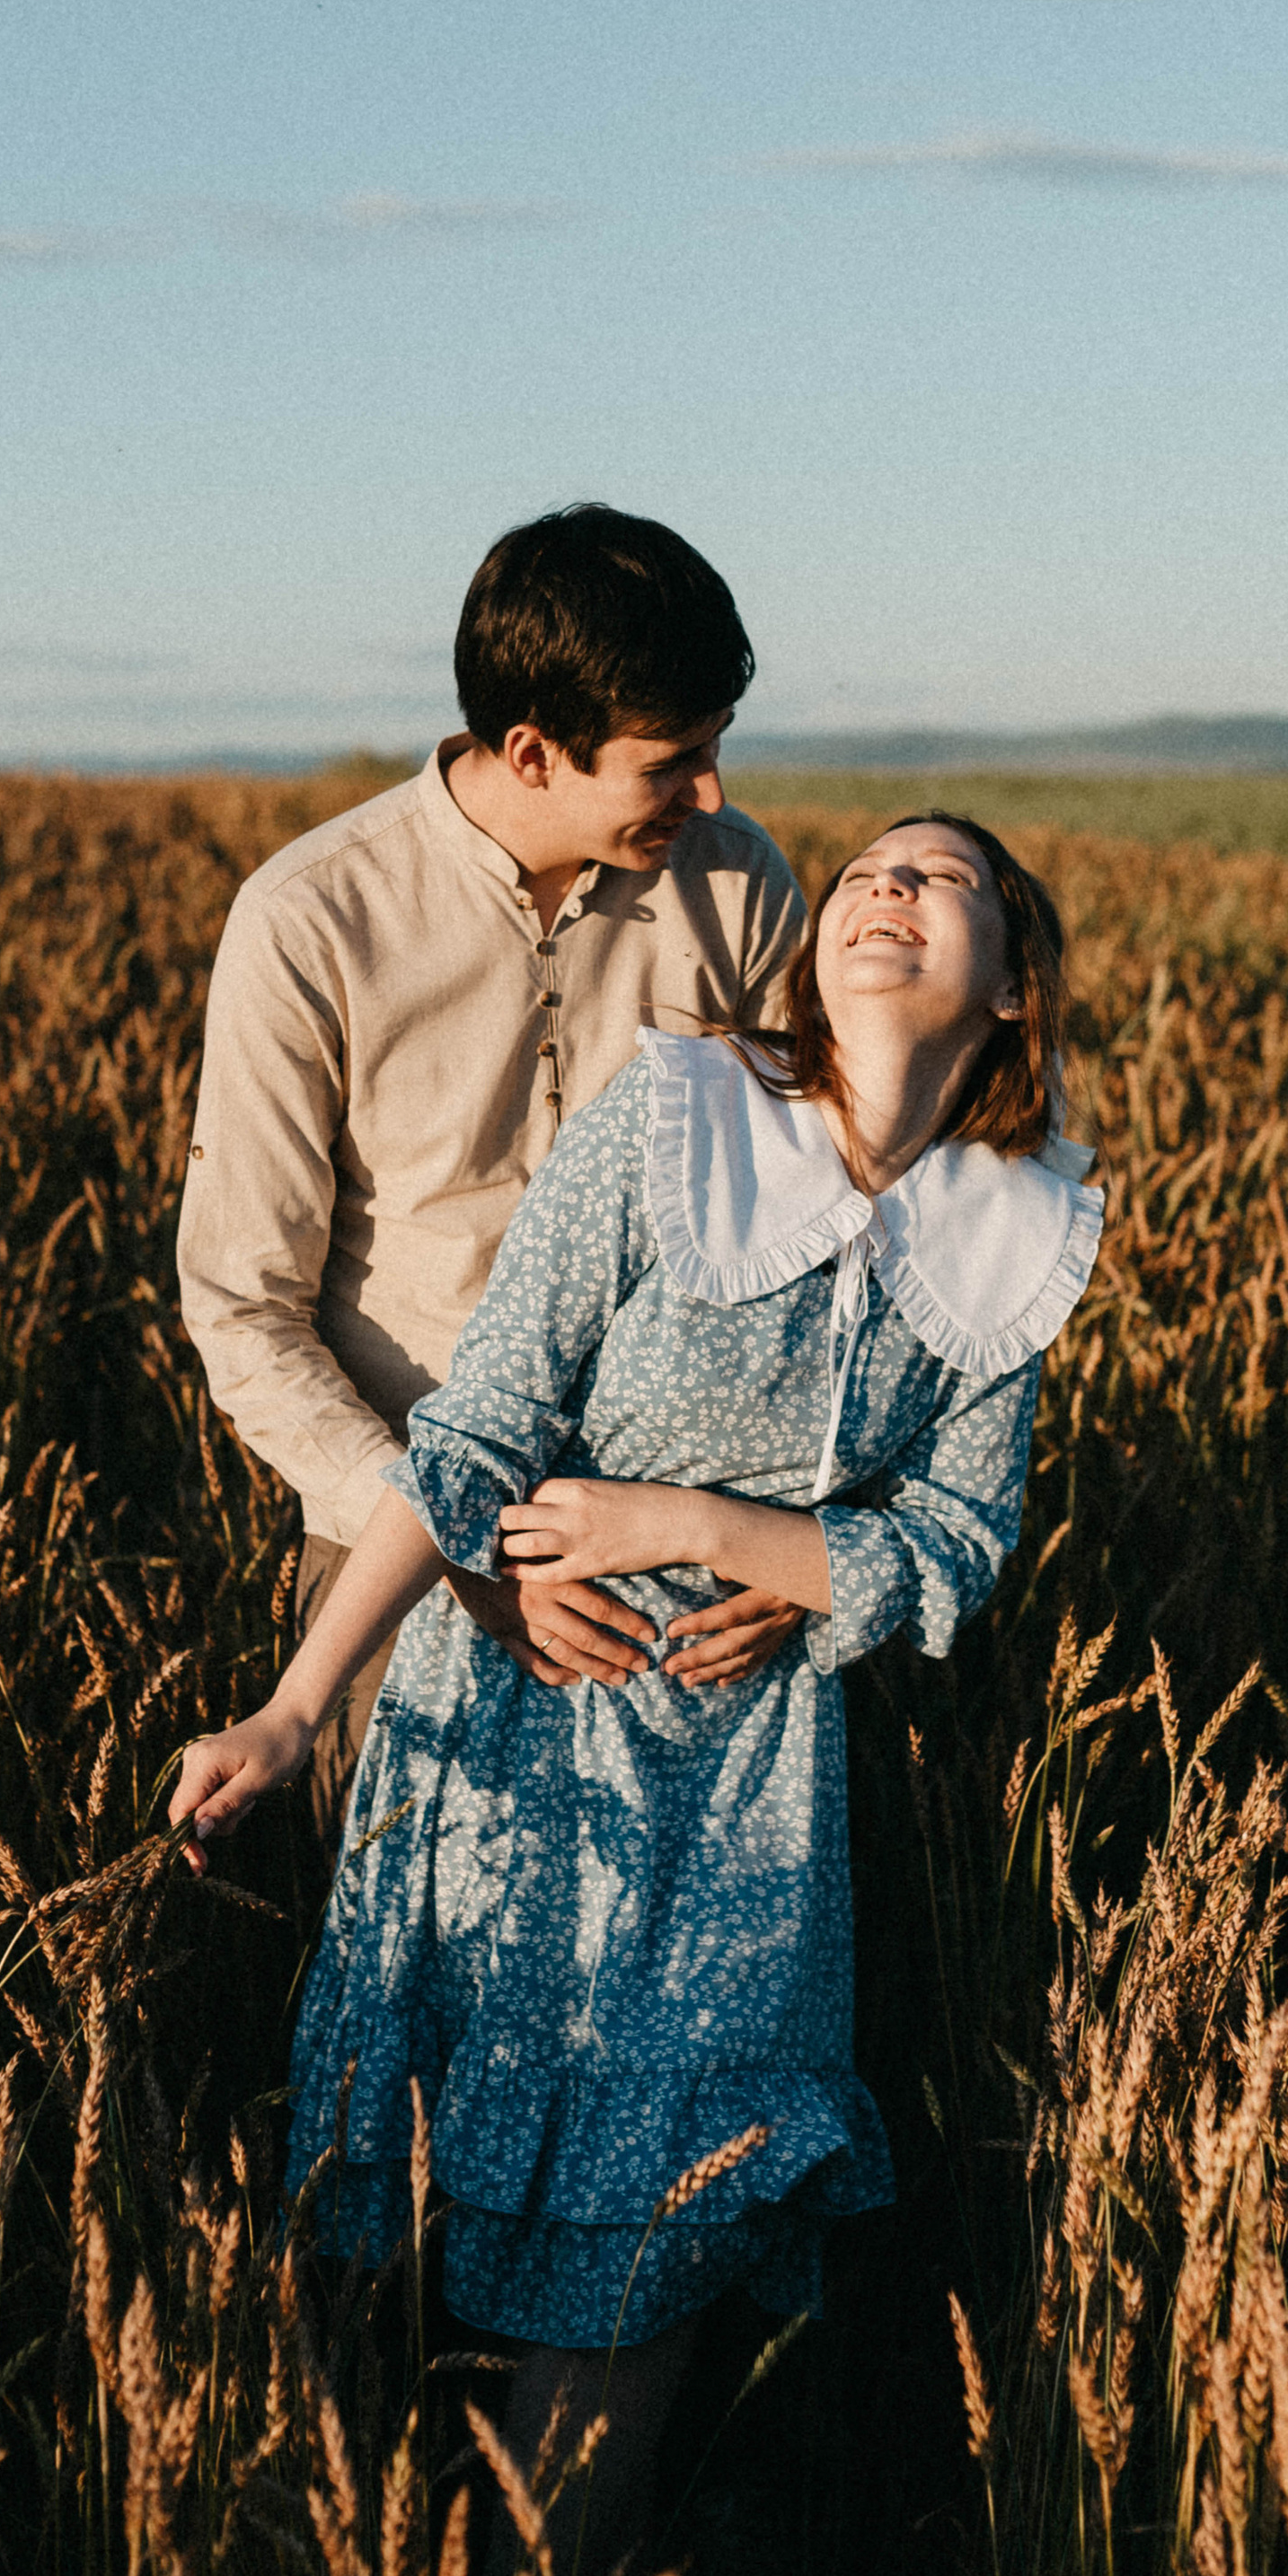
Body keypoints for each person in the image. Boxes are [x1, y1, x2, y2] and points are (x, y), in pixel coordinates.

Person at [168, 812, 1104, 2576]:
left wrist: (706, 1530)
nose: (878, 890)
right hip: (516, 1730)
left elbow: (947, 1547)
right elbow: (488, 1428)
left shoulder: (1018, 1229)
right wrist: (289, 1704)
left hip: (755, 1792)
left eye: (941, 881)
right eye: (863, 873)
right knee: (429, 2213)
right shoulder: (677, 1122)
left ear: (1011, 983)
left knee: (656, 2246)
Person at [177, 505, 812, 1793]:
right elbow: (244, 1307)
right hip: (398, 1574)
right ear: (530, 749)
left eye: (718, 750)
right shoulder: (311, 922)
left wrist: (798, 1543)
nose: (714, 795)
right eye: (670, 762)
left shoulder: (739, 885)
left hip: (689, 1575)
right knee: (405, 1976)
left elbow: (827, 1239)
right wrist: (452, 1545)